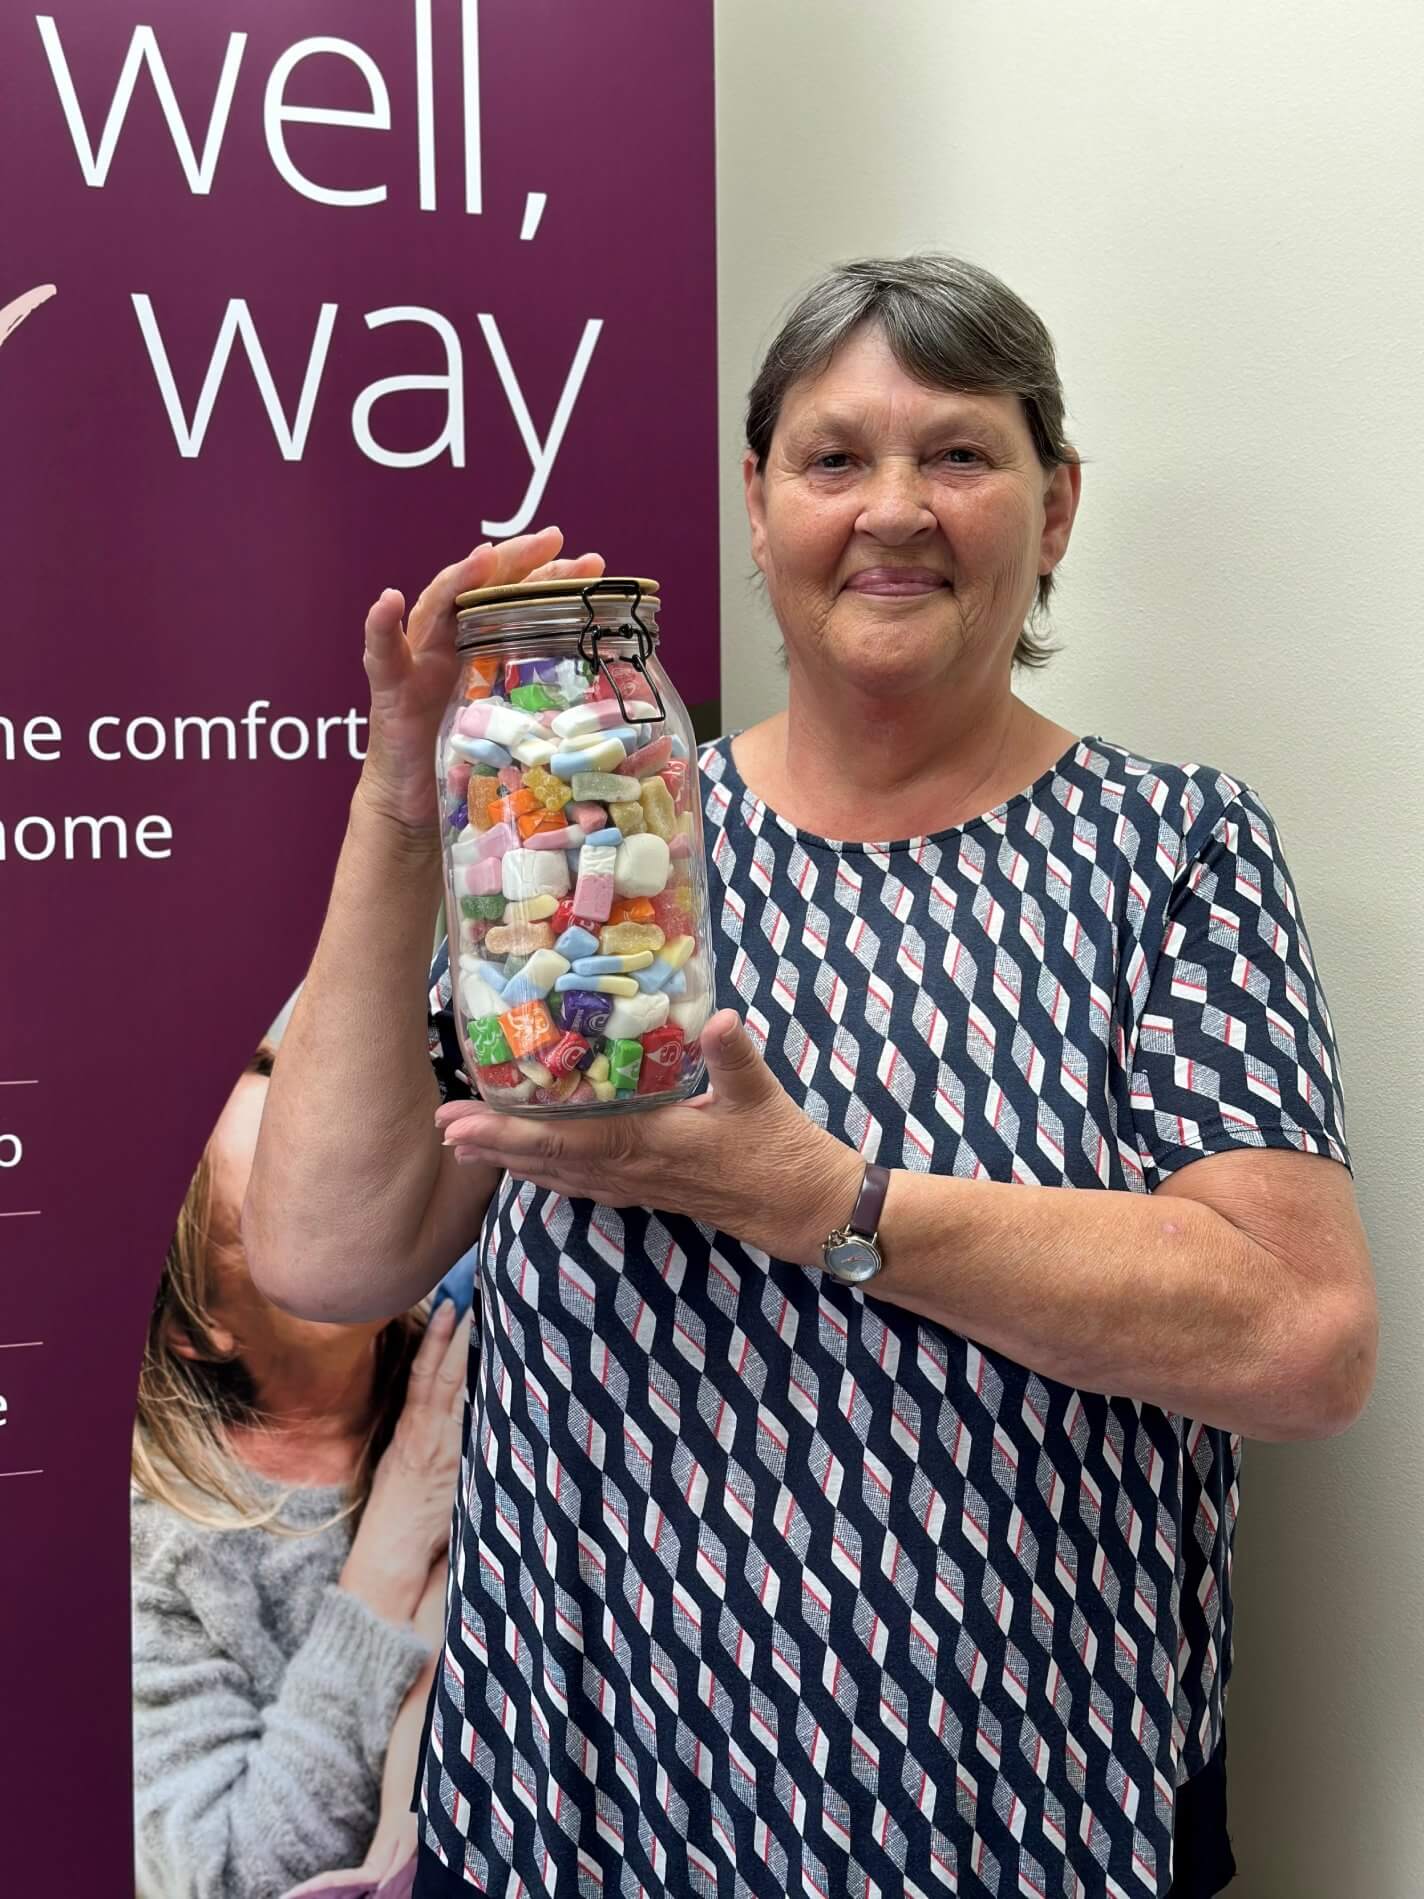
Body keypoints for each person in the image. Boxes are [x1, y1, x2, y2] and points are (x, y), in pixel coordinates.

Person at [244, 254, 1378, 1899]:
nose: (893, 507)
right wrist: (402, 803)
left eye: (959, 454)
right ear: (756, 506)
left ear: (1052, 508)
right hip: (576, 1809)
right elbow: (328, 1250)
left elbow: (1298, 1337)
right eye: (833, 457)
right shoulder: (605, 828)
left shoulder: (1167, 851)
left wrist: (818, 1200)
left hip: (1015, 1814)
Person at [131, 1043, 469, 1899]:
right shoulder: (159, 1547)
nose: (351, 1189)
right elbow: (228, 1877)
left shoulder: (483, 1313)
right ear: (203, 1325)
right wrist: (386, 1558)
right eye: (286, 1204)